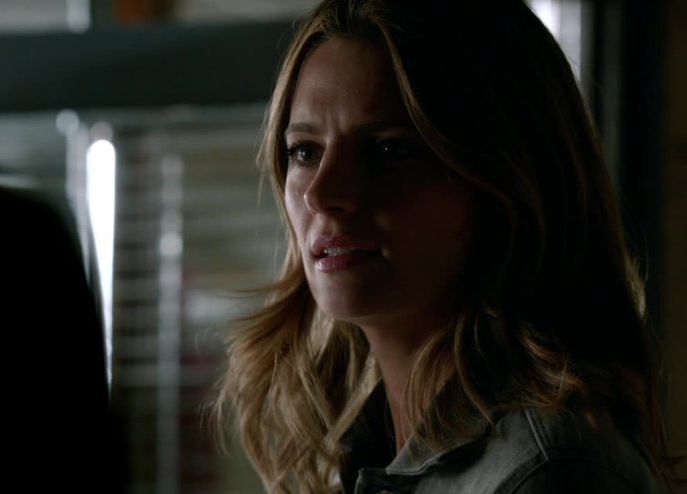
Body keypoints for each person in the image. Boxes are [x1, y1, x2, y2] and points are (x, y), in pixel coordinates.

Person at [212, 0, 679, 492]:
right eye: (305, 151)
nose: (322, 193)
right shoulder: (357, 455)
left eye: (389, 149)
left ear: (506, 178)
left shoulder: (547, 474)